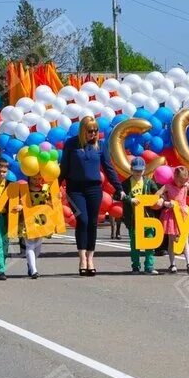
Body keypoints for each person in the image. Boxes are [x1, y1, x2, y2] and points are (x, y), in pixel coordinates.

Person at [58, 115, 122, 276]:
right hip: (75, 189)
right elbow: (64, 168)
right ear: (82, 130)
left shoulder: (100, 145)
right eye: (90, 131)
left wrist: (118, 188)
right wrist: (54, 187)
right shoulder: (71, 144)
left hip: (94, 189)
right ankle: (82, 259)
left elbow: (108, 168)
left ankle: (91, 258)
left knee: (92, 223)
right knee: (83, 220)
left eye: (95, 131)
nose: (93, 134)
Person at [120, 157, 158, 274]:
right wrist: (129, 199)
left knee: (150, 242)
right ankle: (135, 266)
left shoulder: (149, 182)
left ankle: (149, 266)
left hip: (148, 218)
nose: (138, 173)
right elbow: (118, 196)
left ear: (144, 170)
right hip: (133, 219)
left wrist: (160, 199)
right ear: (131, 169)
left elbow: (156, 193)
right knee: (135, 244)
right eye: (136, 170)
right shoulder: (126, 183)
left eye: (140, 170)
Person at [157, 165, 189, 274]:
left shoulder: (185, 185)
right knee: (171, 240)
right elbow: (157, 195)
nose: (182, 184)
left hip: (183, 214)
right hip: (171, 214)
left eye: (185, 181)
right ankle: (172, 264)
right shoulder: (167, 186)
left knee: (185, 240)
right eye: (180, 181)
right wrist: (164, 202)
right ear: (174, 177)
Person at [18, 173, 51, 279]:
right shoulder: (24, 189)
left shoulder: (45, 189)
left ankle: (31, 264)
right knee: (30, 245)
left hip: (41, 220)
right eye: (34, 179)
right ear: (29, 177)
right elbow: (20, 201)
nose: (36, 181)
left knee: (38, 245)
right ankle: (34, 270)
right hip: (28, 219)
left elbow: (50, 201)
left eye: (38, 179)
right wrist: (20, 205)